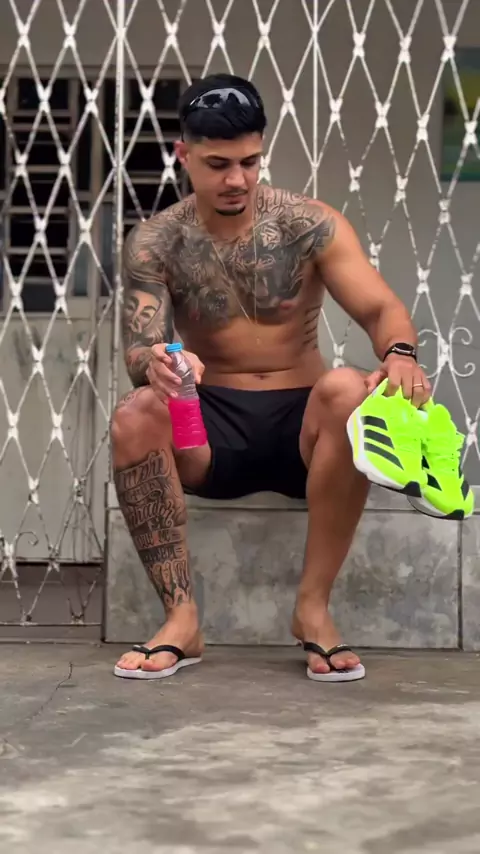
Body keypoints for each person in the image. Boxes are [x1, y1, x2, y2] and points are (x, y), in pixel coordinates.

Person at [111, 73, 430, 682]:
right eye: (218, 164)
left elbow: (380, 309)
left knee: (348, 388)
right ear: (184, 155)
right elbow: (139, 345)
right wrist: (156, 362)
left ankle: (312, 610)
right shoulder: (156, 241)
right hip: (210, 427)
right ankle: (181, 619)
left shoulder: (308, 224)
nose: (237, 179)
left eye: (250, 161)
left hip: (302, 429)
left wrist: (400, 354)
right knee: (134, 413)